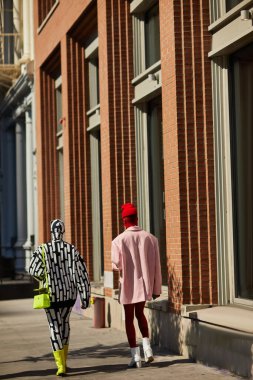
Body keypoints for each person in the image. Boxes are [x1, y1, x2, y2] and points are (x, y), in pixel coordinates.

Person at [29, 219, 90, 376]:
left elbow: (32, 269)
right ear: (63, 231)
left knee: (54, 325)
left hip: (51, 295)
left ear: (51, 231)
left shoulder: (43, 249)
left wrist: (46, 275)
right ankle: (64, 361)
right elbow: (82, 274)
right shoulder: (71, 250)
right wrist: (85, 296)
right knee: (65, 324)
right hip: (69, 294)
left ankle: (60, 365)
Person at [111, 203, 162, 368]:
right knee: (140, 314)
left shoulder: (118, 240)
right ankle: (148, 349)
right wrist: (157, 288)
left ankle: (136, 356)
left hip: (127, 285)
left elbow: (116, 264)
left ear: (124, 220)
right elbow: (156, 266)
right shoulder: (150, 238)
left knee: (129, 318)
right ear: (136, 219)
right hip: (144, 284)